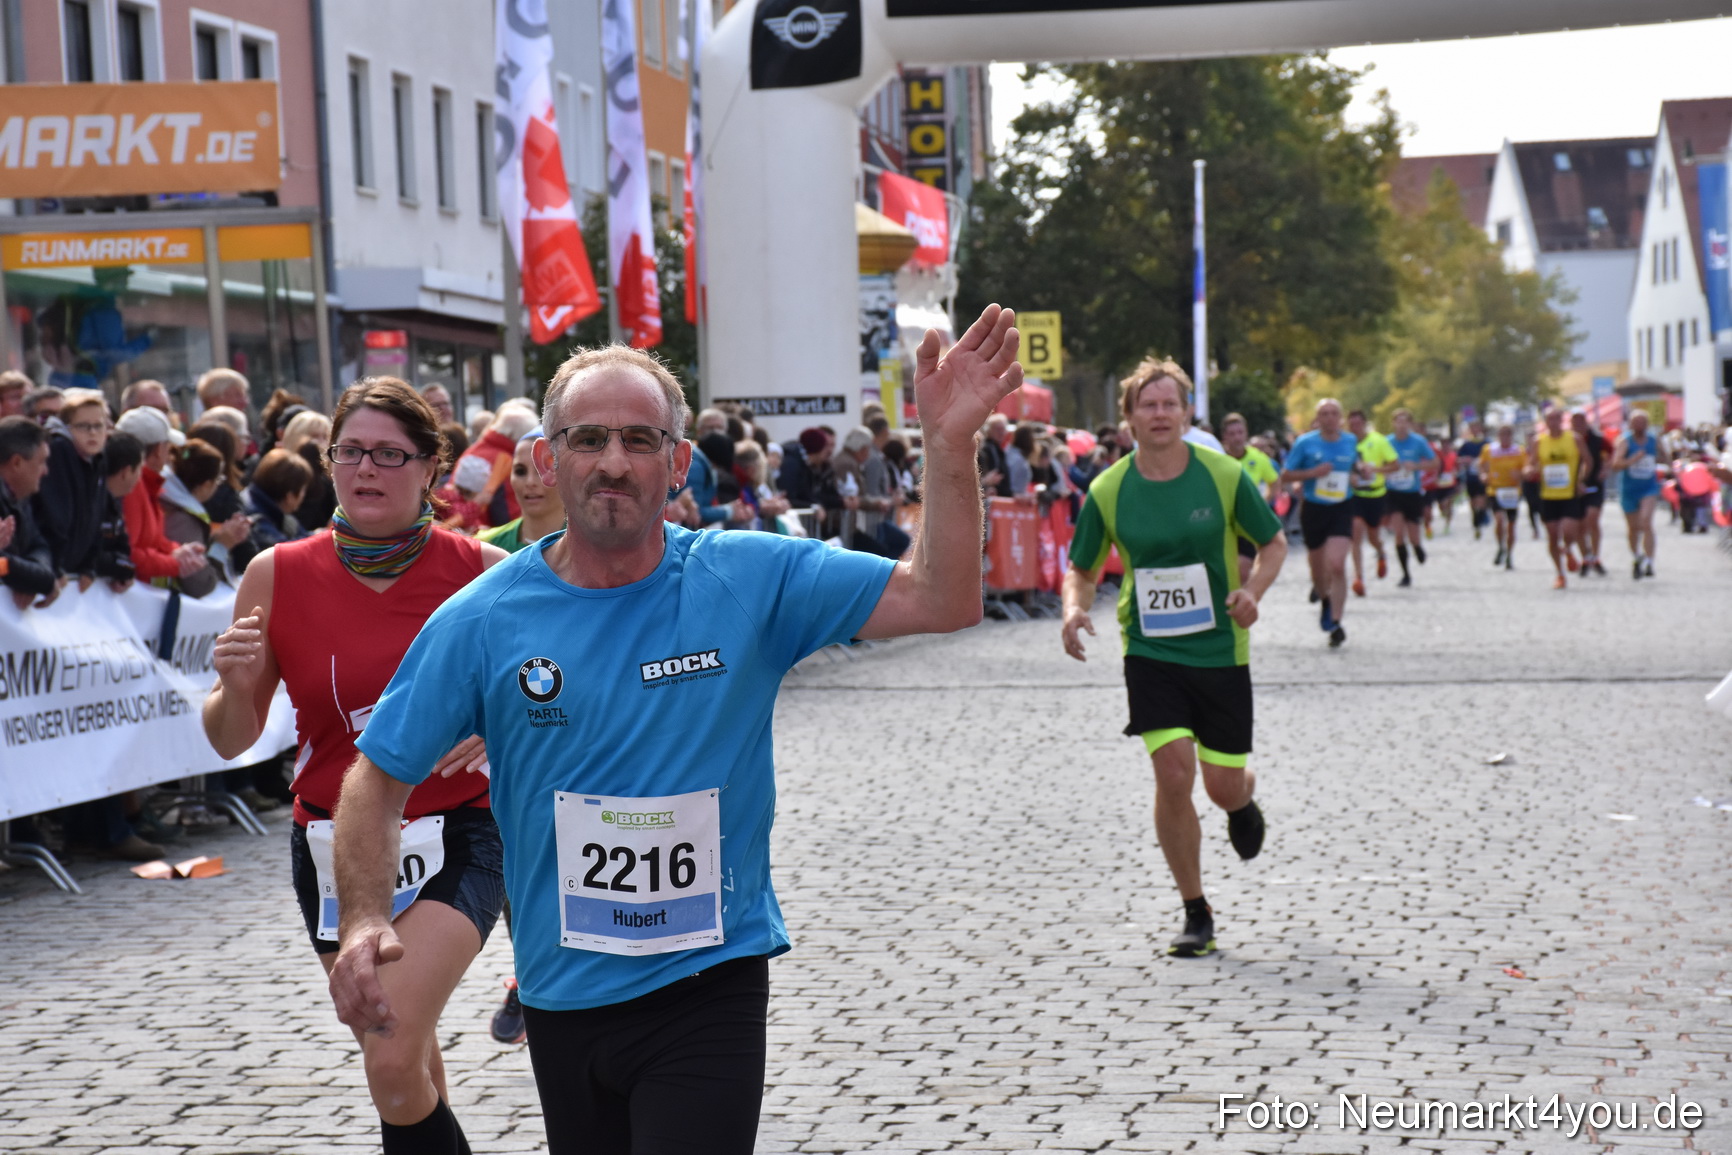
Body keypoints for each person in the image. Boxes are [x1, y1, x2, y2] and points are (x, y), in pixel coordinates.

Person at [324, 305, 1022, 1155]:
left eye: (640, 440)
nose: (613, 462)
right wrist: (364, 916)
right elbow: (375, 776)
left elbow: (943, 597)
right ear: (545, 459)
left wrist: (950, 447)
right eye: (588, 439)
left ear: (679, 461)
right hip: (563, 988)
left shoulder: (747, 576)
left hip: (710, 979)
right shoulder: (484, 617)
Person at [204, 376, 509, 1154]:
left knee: (391, 1044)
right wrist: (235, 686)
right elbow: (230, 739)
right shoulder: (278, 572)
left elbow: (542, 701)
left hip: (458, 828)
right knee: (409, 1065)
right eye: (349, 452)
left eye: (388, 453)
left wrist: (497, 732)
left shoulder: (477, 569)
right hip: (331, 843)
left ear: (432, 466)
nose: (365, 469)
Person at [1060, 359, 1285, 958]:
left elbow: (1274, 543)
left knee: (1221, 785)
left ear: (1185, 413)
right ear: (1129, 417)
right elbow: (1081, 569)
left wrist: (1251, 593)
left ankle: (1243, 799)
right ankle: (1195, 908)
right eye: (1147, 405)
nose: (1159, 414)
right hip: (1151, 648)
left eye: (1169, 404)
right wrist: (1073, 609)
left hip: (1218, 648)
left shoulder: (1223, 474)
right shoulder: (1108, 488)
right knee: (1173, 773)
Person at [1279, 398, 1358, 647]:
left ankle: (1335, 621)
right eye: (1324, 413)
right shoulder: (1305, 443)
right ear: (1317, 418)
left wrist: (1360, 473)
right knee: (1318, 568)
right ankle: (1324, 598)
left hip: (1342, 506)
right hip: (1314, 508)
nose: (1330, 418)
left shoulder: (1350, 441)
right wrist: (1313, 473)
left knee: (1336, 564)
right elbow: (1285, 475)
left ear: (1341, 418)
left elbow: (1352, 468)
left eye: (1334, 413)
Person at [30, 388, 110, 589]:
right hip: (54, 570)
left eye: (98, 426)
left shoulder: (97, 460)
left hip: (73, 569)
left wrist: (88, 566)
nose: (92, 432)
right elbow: (55, 516)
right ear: (67, 427)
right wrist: (55, 566)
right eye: (83, 426)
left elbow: (96, 516)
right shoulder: (60, 451)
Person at [160, 439, 248, 597]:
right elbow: (201, 584)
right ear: (206, 484)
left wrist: (216, 539)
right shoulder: (183, 518)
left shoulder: (169, 500)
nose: (218, 485)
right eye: (218, 479)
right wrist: (221, 545)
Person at [0, 415, 58, 610]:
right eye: (41, 461)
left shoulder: (20, 499)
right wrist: (28, 576)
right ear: (17, 463)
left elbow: (40, 546)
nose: (46, 471)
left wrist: (30, 577)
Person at [478, 430, 567, 552]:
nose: (530, 482)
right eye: (520, 471)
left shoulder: (592, 544)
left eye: (542, 470)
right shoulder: (487, 545)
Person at [1219, 412, 1279, 586]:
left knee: (1243, 570)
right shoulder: (1218, 459)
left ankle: (1239, 605)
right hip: (1222, 523)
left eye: (1240, 432)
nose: (1237, 438)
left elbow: (1275, 482)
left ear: (1246, 433)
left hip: (1246, 523)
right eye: (1232, 434)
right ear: (1224, 436)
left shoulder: (1258, 458)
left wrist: (1262, 503)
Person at [1530, 407, 1587, 589]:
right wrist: (1528, 471)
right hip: (1548, 495)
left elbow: (1587, 461)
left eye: (1556, 418)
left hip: (1569, 493)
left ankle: (1568, 549)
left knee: (1569, 531)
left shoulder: (1574, 439)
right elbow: (1530, 464)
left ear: (1562, 420)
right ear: (1545, 422)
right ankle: (1560, 573)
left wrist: (1580, 479)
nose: (1553, 422)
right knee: (1553, 535)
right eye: (1549, 419)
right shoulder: (1539, 442)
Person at [1609, 410, 1669, 579]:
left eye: (1643, 422)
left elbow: (1665, 458)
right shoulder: (1625, 441)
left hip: (1648, 488)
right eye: (1636, 422)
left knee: (1646, 521)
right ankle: (1637, 556)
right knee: (1633, 528)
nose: (1639, 426)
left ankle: (1650, 561)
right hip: (1629, 489)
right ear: (1630, 424)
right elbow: (1616, 464)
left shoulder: (1653, 440)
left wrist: (1661, 458)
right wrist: (1632, 460)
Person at [1382, 409, 1437, 589]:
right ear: (1393, 423)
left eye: (1405, 421)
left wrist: (1417, 465)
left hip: (1412, 492)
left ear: (1410, 424)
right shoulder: (1387, 442)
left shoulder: (1418, 441)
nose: (1401, 425)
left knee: (1414, 535)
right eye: (1398, 421)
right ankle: (1405, 573)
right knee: (1399, 533)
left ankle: (1418, 547)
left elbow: (1435, 462)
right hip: (1393, 493)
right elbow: (1379, 463)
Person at [1345, 409, 1394, 598]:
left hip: (1376, 494)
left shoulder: (1379, 441)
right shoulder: (1346, 443)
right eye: (1352, 424)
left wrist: (1375, 469)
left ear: (1365, 424)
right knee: (1355, 534)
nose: (1355, 428)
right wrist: (1351, 477)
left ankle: (1381, 552)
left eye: (1358, 424)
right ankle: (1359, 579)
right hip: (1355, 494)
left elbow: (1395, 465)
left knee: (1373, 536)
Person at [241, 448, 315, 550]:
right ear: (290, 496)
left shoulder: (254, 499)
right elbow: (281, 550)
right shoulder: (256, 518)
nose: (304, 495)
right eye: (303, 489)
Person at [1479, 425, 1526, 571]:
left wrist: (1520, 474)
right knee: (1499, 520)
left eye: (1507, 435)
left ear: (1511, 436)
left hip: (1512, 491)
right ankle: (1501, 546)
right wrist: (1484, 475)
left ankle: (1509, 555)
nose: (1504, 437)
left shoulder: (1519, 451)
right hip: (1495, 489)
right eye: (1502, 435)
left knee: (1511, 525)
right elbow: (1482, 466)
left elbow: (1526, 468)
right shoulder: (1489, 450)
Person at [1570, 411, 1610, 575]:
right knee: (1579, 525)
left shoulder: (1598, 439)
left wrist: (1605, 470)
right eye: (1575, 422)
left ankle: (1595, 555)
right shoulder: (1567, 440)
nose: (1578, 425)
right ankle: (1586, 557)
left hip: (1594, 485)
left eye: (1581, 421)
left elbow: (1610, 454)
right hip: (1573, 487)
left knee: (1592, 518)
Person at [1457, 421, 1489, 540]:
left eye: (1477, 427)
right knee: (1473, 500)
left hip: (1483, 476)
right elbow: (1458, 459)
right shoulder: (1466, 444)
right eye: (1472, 428)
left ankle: (1479, 519)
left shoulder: (1487, 443)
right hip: (1471, 476)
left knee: (1481, 498)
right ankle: (1475, 515)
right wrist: (1466, 460)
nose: (1475, 430)